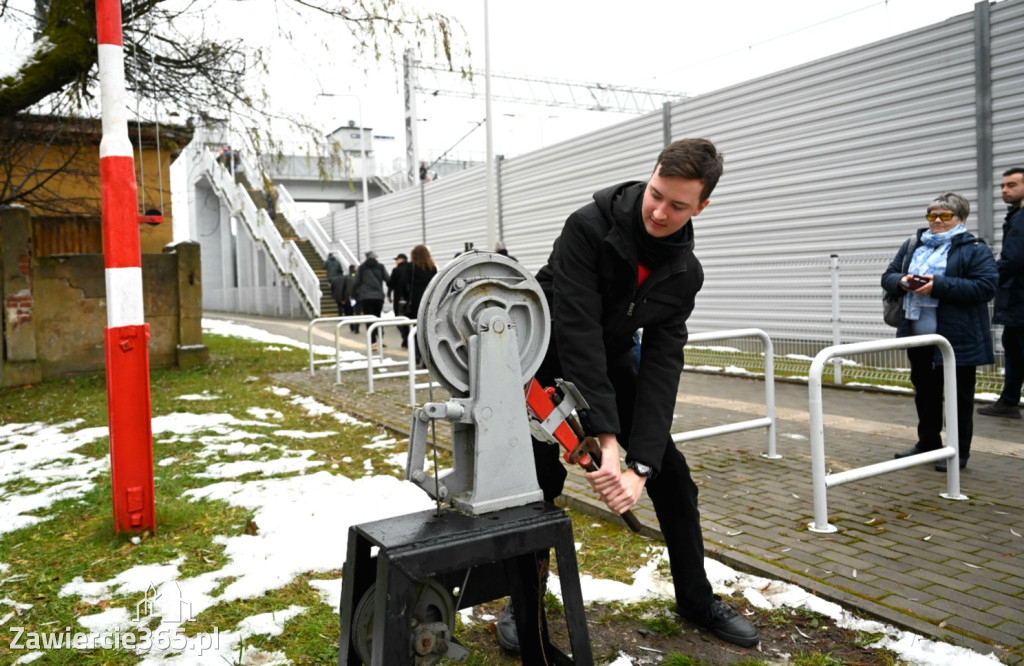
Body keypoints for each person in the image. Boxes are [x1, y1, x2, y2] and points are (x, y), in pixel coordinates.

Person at [496, 138, 759, 653]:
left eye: (678, 205)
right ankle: (521, 606)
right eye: (656, 194)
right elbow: (577, 329)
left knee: (674, 479)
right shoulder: (588, 227)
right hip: (540, 360)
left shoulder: (686, 273)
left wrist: (639, 464)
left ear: (702, 206)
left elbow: (663, 364)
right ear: (651, 174)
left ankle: (696, 598)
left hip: (610, 365)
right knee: (539, 479)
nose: (660, 211)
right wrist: (606, 438)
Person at [881, 192, 998, 471]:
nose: (937, 221)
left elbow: (985, 287)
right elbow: (888, 276)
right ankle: (928, 442)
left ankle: (958, 452)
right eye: (932, 215)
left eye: (945, 216)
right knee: (925, 392)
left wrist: (939, 285)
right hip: (918, 335)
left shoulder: (973, 249)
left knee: (958, 397)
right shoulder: (913, 245)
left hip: (956, 337)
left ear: (961, 219)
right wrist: (903, 281)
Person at [978, 167, 1024, 420]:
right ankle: (1008, 400)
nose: (1005, 190)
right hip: (1017, 296)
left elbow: (1014, 259)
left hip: (1019, 297)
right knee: (1014, 347)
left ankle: (1009, 401)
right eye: (1003, 186)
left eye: (1012, 185)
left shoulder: (1021, 218)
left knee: (1017, 348)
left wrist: (989, 276)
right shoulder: (1017, 215)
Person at [352, 251, 389, 350]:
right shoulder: (380, 266)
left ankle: (373, 343)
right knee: (378, 318)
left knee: (369, 320)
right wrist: (390, 292)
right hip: (378, 297)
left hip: (366, 297)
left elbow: (356, 282)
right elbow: (388, 279)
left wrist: (354, 294)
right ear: (373, 257)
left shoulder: (362, 267)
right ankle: (381, 339)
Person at [407, 244, 437, 364]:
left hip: (415, 302)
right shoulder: (433, 268)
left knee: (414, 330)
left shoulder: (411, 268)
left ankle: (415, 356)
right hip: (428, 302)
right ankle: (426, 360)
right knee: (427, 331)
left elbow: (404, 284)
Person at [388, 253, 413, 348]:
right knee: (409, 319)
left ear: (401, 260)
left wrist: (389, 294)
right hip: (410, 299)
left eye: (397, 260)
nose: (396, 262)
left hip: (399, 299)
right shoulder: (412, 268)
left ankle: (406, 338)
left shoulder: (396, 270)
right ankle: (408, 339)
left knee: (399, 319)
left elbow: (390, 284)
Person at [340, 264, 361, 332]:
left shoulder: (346, 277)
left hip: (349, 297)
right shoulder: (358, 276)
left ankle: (351, 327)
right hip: (357, 296)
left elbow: (343, 288)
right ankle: (356, 328)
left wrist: (343, 298)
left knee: (350, 312)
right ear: (354, 269)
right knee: (357, 312)